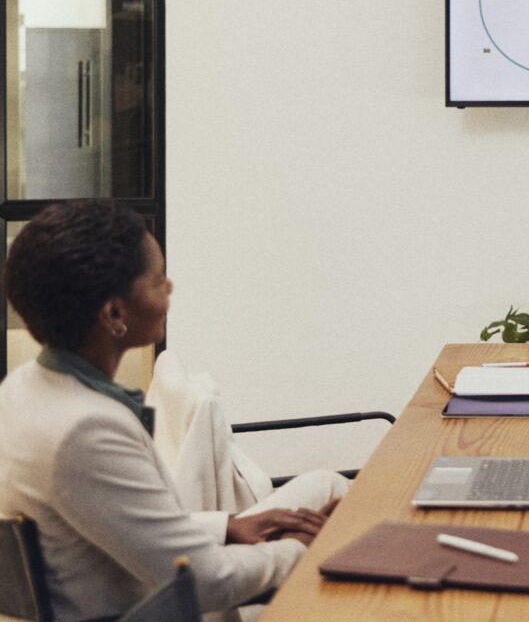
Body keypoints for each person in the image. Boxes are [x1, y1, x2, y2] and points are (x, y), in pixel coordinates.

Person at [0, 200, 331, 620]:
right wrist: (305, 549)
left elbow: (110, 519)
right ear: (114, 313)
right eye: (158, 280)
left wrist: (224, 527)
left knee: (328, 483)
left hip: (134, 585)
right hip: (150, 609)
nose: (169, 288)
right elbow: (206, 582)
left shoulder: (21, 389)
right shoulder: (85, 429)